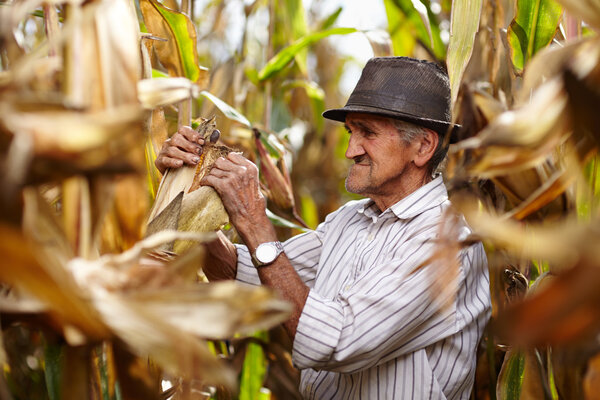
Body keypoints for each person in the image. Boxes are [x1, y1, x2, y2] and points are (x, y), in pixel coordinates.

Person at [155, 56, 491, 399]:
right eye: (351, 132)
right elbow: (246, 280)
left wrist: (255, 221)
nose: (350, 150)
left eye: (368, 133)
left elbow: (335, 341)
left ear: (423, 147)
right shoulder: (349, 221)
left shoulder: (447, 243)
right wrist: (192, 190)